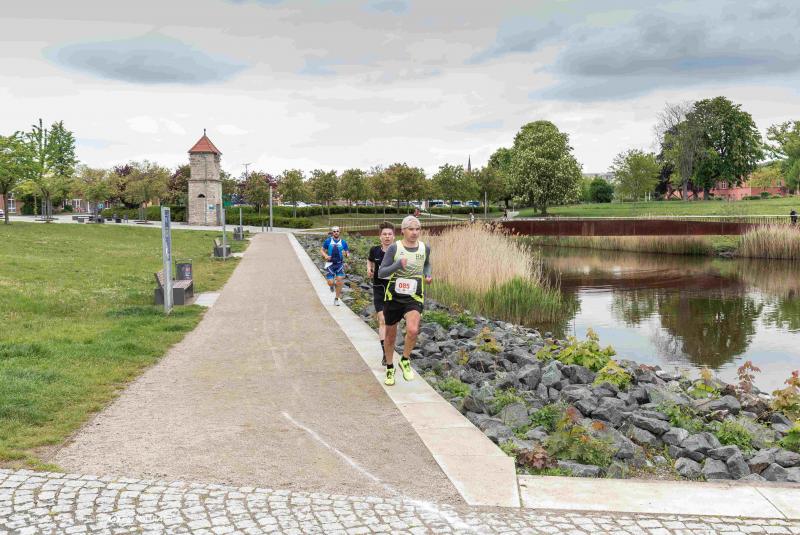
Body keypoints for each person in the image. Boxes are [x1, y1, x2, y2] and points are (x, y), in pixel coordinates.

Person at [378, 215, 432, 386]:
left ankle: (405, 359)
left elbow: (427, 264)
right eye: (411, 229)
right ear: (403, 231)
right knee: (390, 337)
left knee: (413, 330)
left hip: (414, 296)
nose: (415, 232)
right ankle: (389, 367)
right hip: (393, 297)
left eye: (417, 229)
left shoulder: (424, 248)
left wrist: (428, 274)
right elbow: (381, 272)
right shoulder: (395, 248)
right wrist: (397, 265)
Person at [367, 222, 395, 366]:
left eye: (389, 234)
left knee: (392, 323)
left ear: (394, 236)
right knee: (382, 320)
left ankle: (390, 346)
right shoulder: (375, 250)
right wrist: (369, 269)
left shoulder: (399, 251)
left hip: (394, 289)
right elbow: (370, 260)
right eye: (384, 234)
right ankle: (385, 354)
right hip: (379, 288)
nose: (387, 237)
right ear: (380, 237)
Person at [320, 226, 349, 306]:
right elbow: (322, 250)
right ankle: (331, 286)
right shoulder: (328, 241)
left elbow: (347, 253)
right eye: (334, 231)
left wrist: (346, 254)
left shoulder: (343, 242)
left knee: (339, 281)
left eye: (337, 231)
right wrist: (325, 255)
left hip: (339, 264)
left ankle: (336, 299)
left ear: (339, 232)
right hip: (330, 264)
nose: (336, 232)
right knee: (330, 282)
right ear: (332, 233)